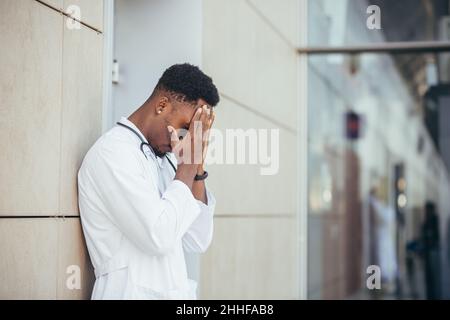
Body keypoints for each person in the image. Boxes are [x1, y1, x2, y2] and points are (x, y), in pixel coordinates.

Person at [77, 63, 220, 299]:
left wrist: (196, 166)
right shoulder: (113, 153)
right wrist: (186, 166)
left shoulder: (169, 160)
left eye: (195, 133)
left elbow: (198, 238)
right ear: (162, 105)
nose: (187, 139)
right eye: (186, 128)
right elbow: (159, 236)